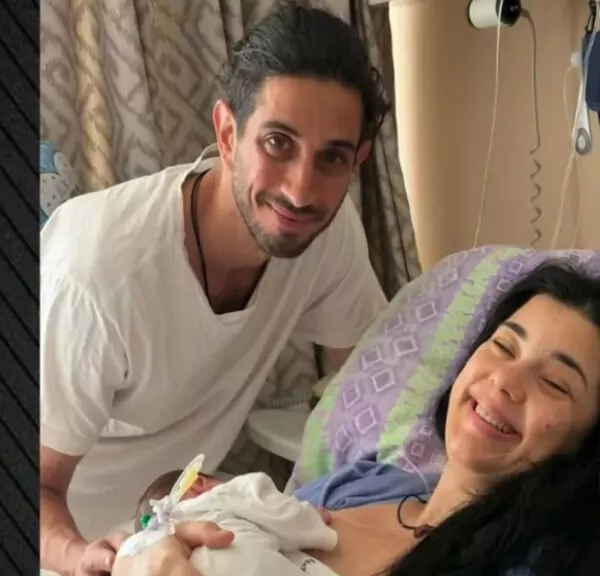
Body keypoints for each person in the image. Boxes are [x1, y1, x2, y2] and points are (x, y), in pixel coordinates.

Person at [38, 2, 390, 574]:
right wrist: (87, 558)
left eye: (332, 158)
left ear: (358, 162)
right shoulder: (97, 274)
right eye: (278, 143)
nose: (301, 190)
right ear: (227, 133)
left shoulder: (330, 233)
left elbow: (371, 386)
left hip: (177, 521)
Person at [120, 262, 600, 576]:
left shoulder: (528, 565)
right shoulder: (364, 481)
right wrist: (147, 549)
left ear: (589, 441)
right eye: (503, 346)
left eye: (555, 382)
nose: (506, 380)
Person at [118, 470, 337, 576]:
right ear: (199, 482)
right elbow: (283, 515)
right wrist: (313, 520)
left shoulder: (158, 545)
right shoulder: (226, 493)